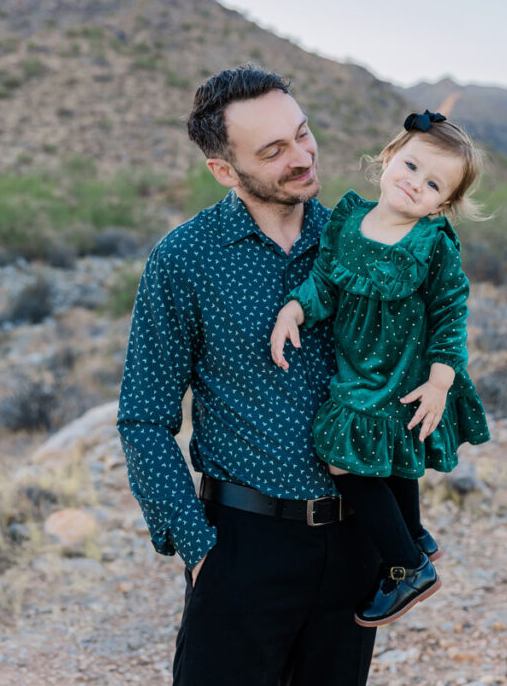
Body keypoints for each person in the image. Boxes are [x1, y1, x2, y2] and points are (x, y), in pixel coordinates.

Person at [116, 66, 380, 686]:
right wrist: (200, 548)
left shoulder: (359, 237)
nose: (302, 156)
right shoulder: (185, 258)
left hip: (354, 537)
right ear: (225, 171)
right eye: (274, 150)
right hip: (242, 543)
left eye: (303, 133)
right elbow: (144, 417)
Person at [270, 109, 491, 627]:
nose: (416, 184)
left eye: (434, 183)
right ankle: (412, 535)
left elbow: (450, 314)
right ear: (389, 157)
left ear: (445, 204)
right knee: (390, 461)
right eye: (412, 166)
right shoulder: (349, 220)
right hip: (359, 366)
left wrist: (441, 381)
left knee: (342, 460)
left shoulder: (431, 245)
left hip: (404, 375)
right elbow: (324, 282)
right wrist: (294, 308)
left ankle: (407, 566)